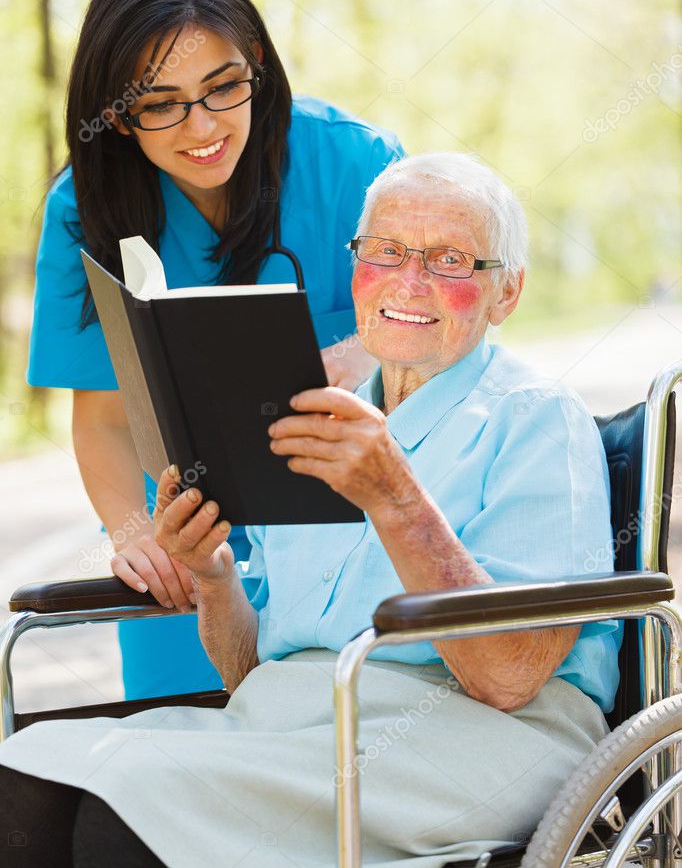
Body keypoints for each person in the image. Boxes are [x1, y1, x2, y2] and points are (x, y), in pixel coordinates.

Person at [0, 153, 620, 867]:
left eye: (450, 260)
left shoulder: (536, 418)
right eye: (386, 251)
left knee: (129, 816)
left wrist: (395, 499)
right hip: (292, 720)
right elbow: (244, 670)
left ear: (505, 292)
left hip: (474, 737)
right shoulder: (313, 421)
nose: (408, 281)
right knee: (29, 780)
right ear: (357, 266)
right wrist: (212, 572)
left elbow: (508, 676)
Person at [26, 0, 404, 701]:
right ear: (117, 111)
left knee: (337, 768)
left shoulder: (358, 164)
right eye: (160, 103)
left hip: (345, 552)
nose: (201, 127)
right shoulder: (83, 208)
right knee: (183, 770)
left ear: (256, 62)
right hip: (189, 554)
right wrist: (134, 534)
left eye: (223, 87)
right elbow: (102, 417)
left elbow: (444, 339)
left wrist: (362, 350)